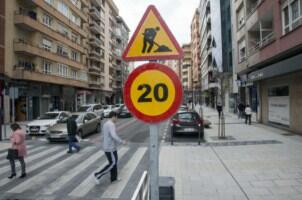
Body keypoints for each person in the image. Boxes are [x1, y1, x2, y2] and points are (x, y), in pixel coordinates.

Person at [94, 111, 127, 184]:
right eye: (116, 117)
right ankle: (97, 175)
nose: (117, 119)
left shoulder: (106, 124)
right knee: (113, 163)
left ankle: (114, 178)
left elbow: (103, 135)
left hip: (110, 147)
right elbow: (114, 135)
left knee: (114, 163)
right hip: (110, 148)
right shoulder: (111, 124)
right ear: (113, 116)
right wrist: (122, 141)